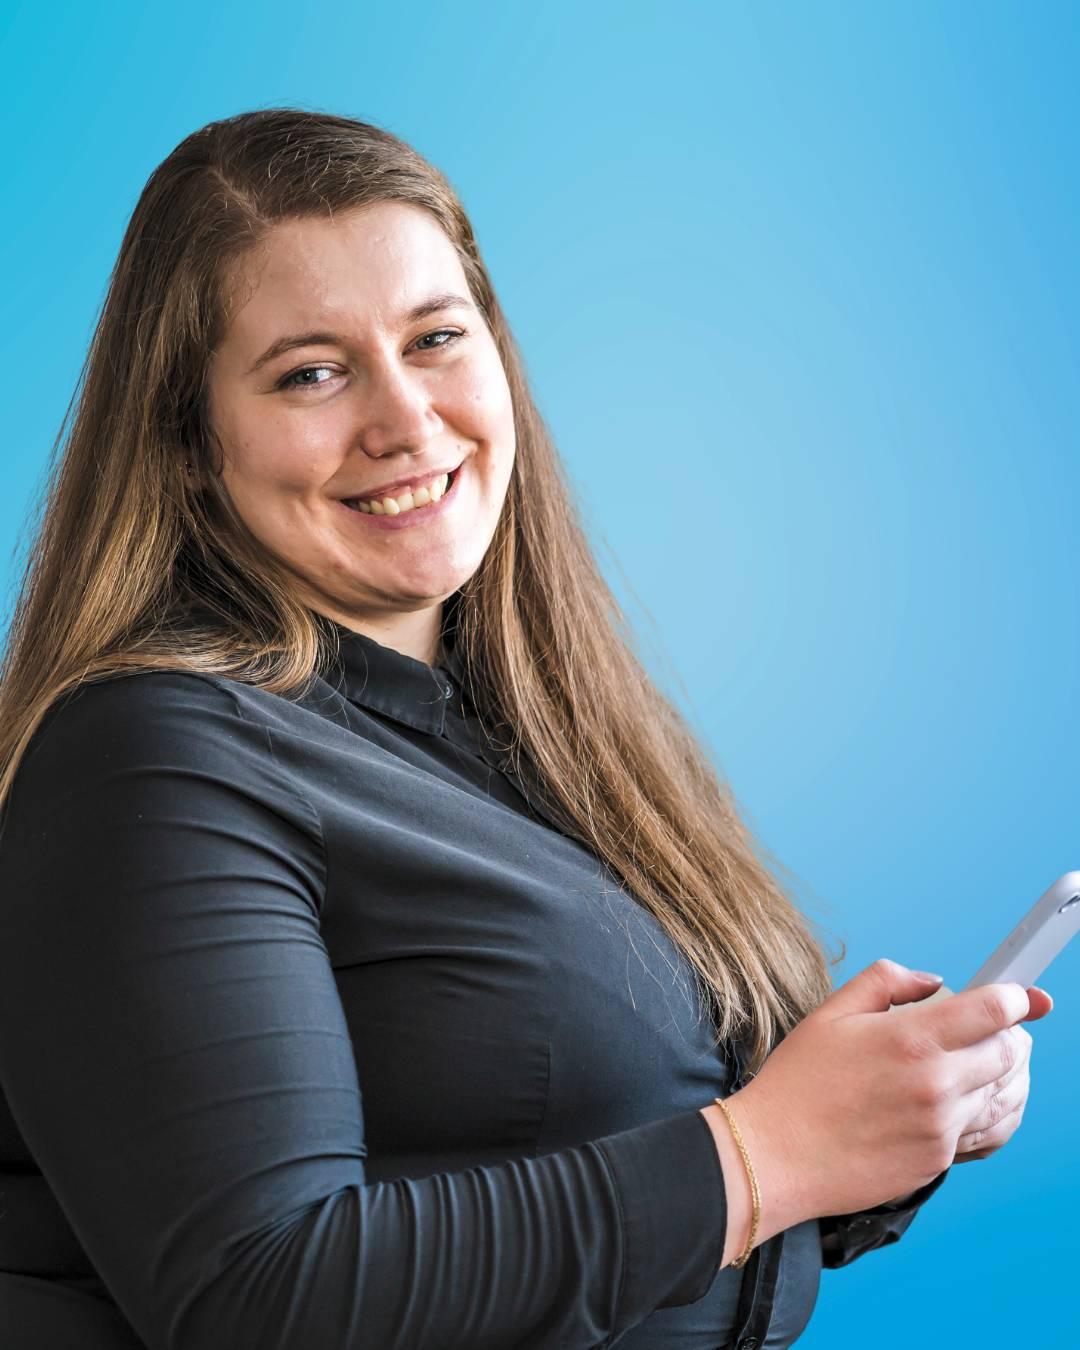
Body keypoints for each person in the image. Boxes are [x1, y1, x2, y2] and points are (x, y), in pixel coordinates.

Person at [0, 108, 1052, 1350]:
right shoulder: (150, 760)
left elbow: (628, 1182)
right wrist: (764, 1153)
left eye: (436, 339)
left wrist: (882, 1127)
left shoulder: (533, 731)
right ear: (188, 444)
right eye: (311, 373)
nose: (406, 421)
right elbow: (260, 1294)